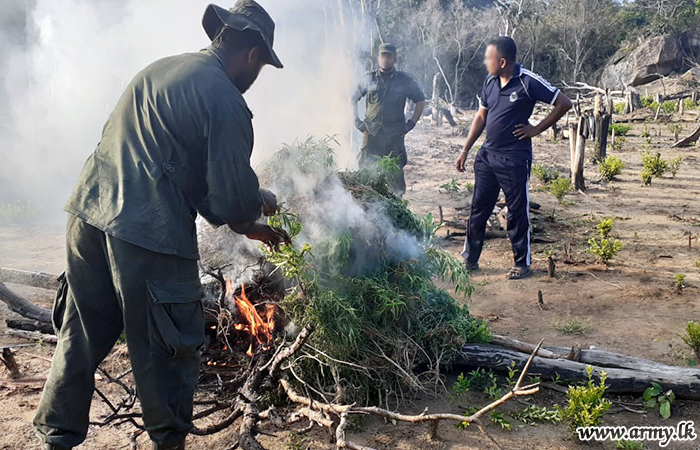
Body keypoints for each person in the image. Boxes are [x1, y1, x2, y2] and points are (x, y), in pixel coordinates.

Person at [32, 2, 288, 449]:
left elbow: (182, 170)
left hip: (88, 216)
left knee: (80, 334)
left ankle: (55, 439)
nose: (258, 75)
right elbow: (230, 197)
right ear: (251, 53)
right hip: (148, 232)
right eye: (262, 65)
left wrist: (248, 207)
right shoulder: (225, 98)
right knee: (169, 348)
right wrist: (256, 214)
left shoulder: (162, 69)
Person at [455, 36, 572, 280]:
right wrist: (466, 149)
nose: (485, 62)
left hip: (514, 158)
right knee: (479, 208)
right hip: (488, 156)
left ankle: (521, 263)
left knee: (517, 211)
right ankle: (470, 259)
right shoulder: (490, 81)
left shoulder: (528, 81)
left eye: (489, 58)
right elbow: (481, 116)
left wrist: (536, 129)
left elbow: (564, 103)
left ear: (502, 61)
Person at [352, 43, 426, 196]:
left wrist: (410, 124)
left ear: (395, 59)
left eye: (389, 56)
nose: (385, 59)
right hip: (371, 132)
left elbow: (420, 100)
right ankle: (366, 206)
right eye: (383, 56)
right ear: (378, 58)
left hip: (394, 134)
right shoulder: (369, 78)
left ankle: (397, 206)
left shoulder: (404, 80)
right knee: (365, 170)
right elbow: (351, 98)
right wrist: (357, 122)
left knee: (395, 172)